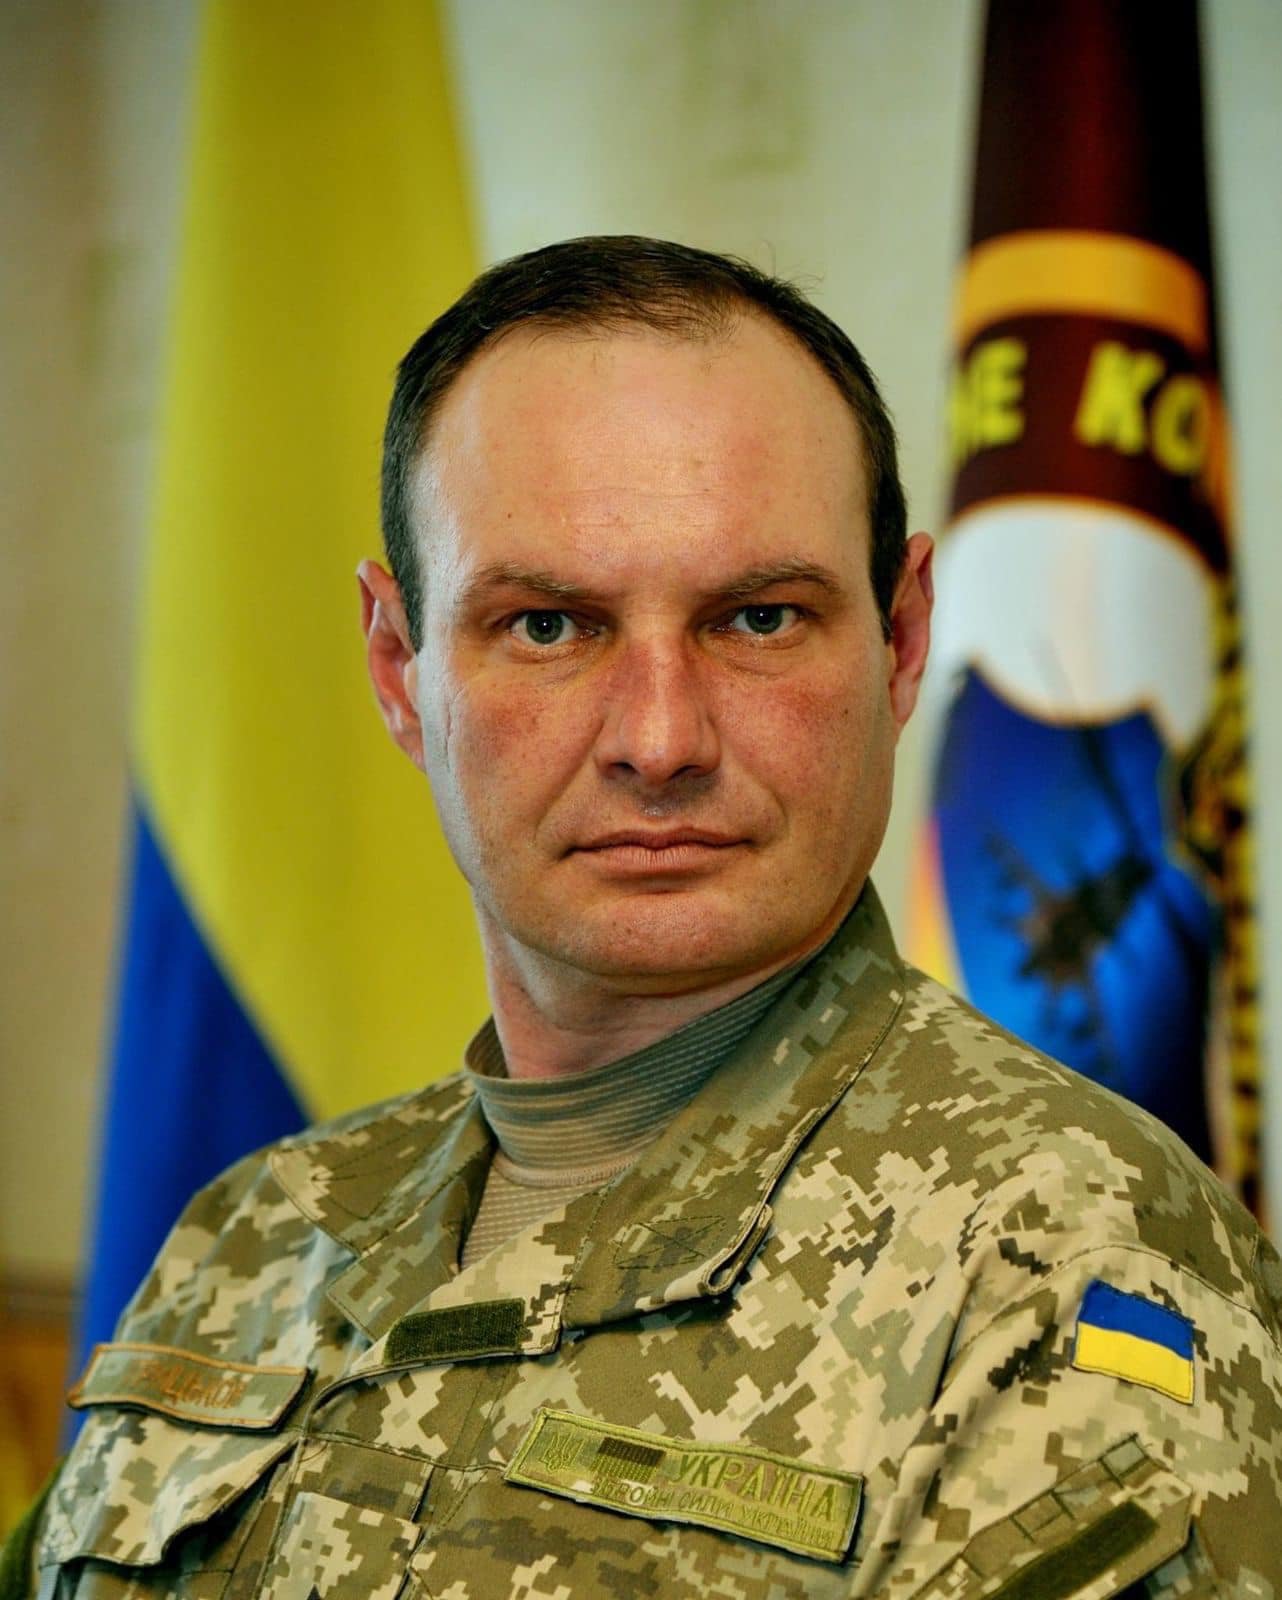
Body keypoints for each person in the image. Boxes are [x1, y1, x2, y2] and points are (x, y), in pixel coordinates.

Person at [5, 236, 1280, 1599]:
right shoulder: (252, 1237)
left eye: (758, 619)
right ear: (397, 667)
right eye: (549, 627)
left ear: (902, 640)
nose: (660, 741)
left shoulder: (1061, 1262)